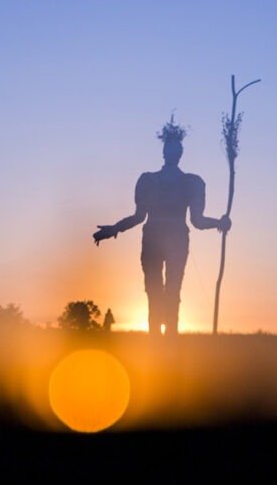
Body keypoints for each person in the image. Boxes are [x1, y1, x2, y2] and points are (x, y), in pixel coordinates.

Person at [93, 117, 230, 337]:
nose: (173, 152)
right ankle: (159, 345)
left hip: (169, 240)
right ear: (166, 151)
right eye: (171, 148)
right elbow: (141, 216)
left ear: (178, 152)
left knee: (167, 293)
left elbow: (197, 221)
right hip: (156, 240)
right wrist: (114, 229)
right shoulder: (152, 180)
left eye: (176, 148)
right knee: (159, 294)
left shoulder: (190, 182)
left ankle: (167, 345)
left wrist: (219, 223)